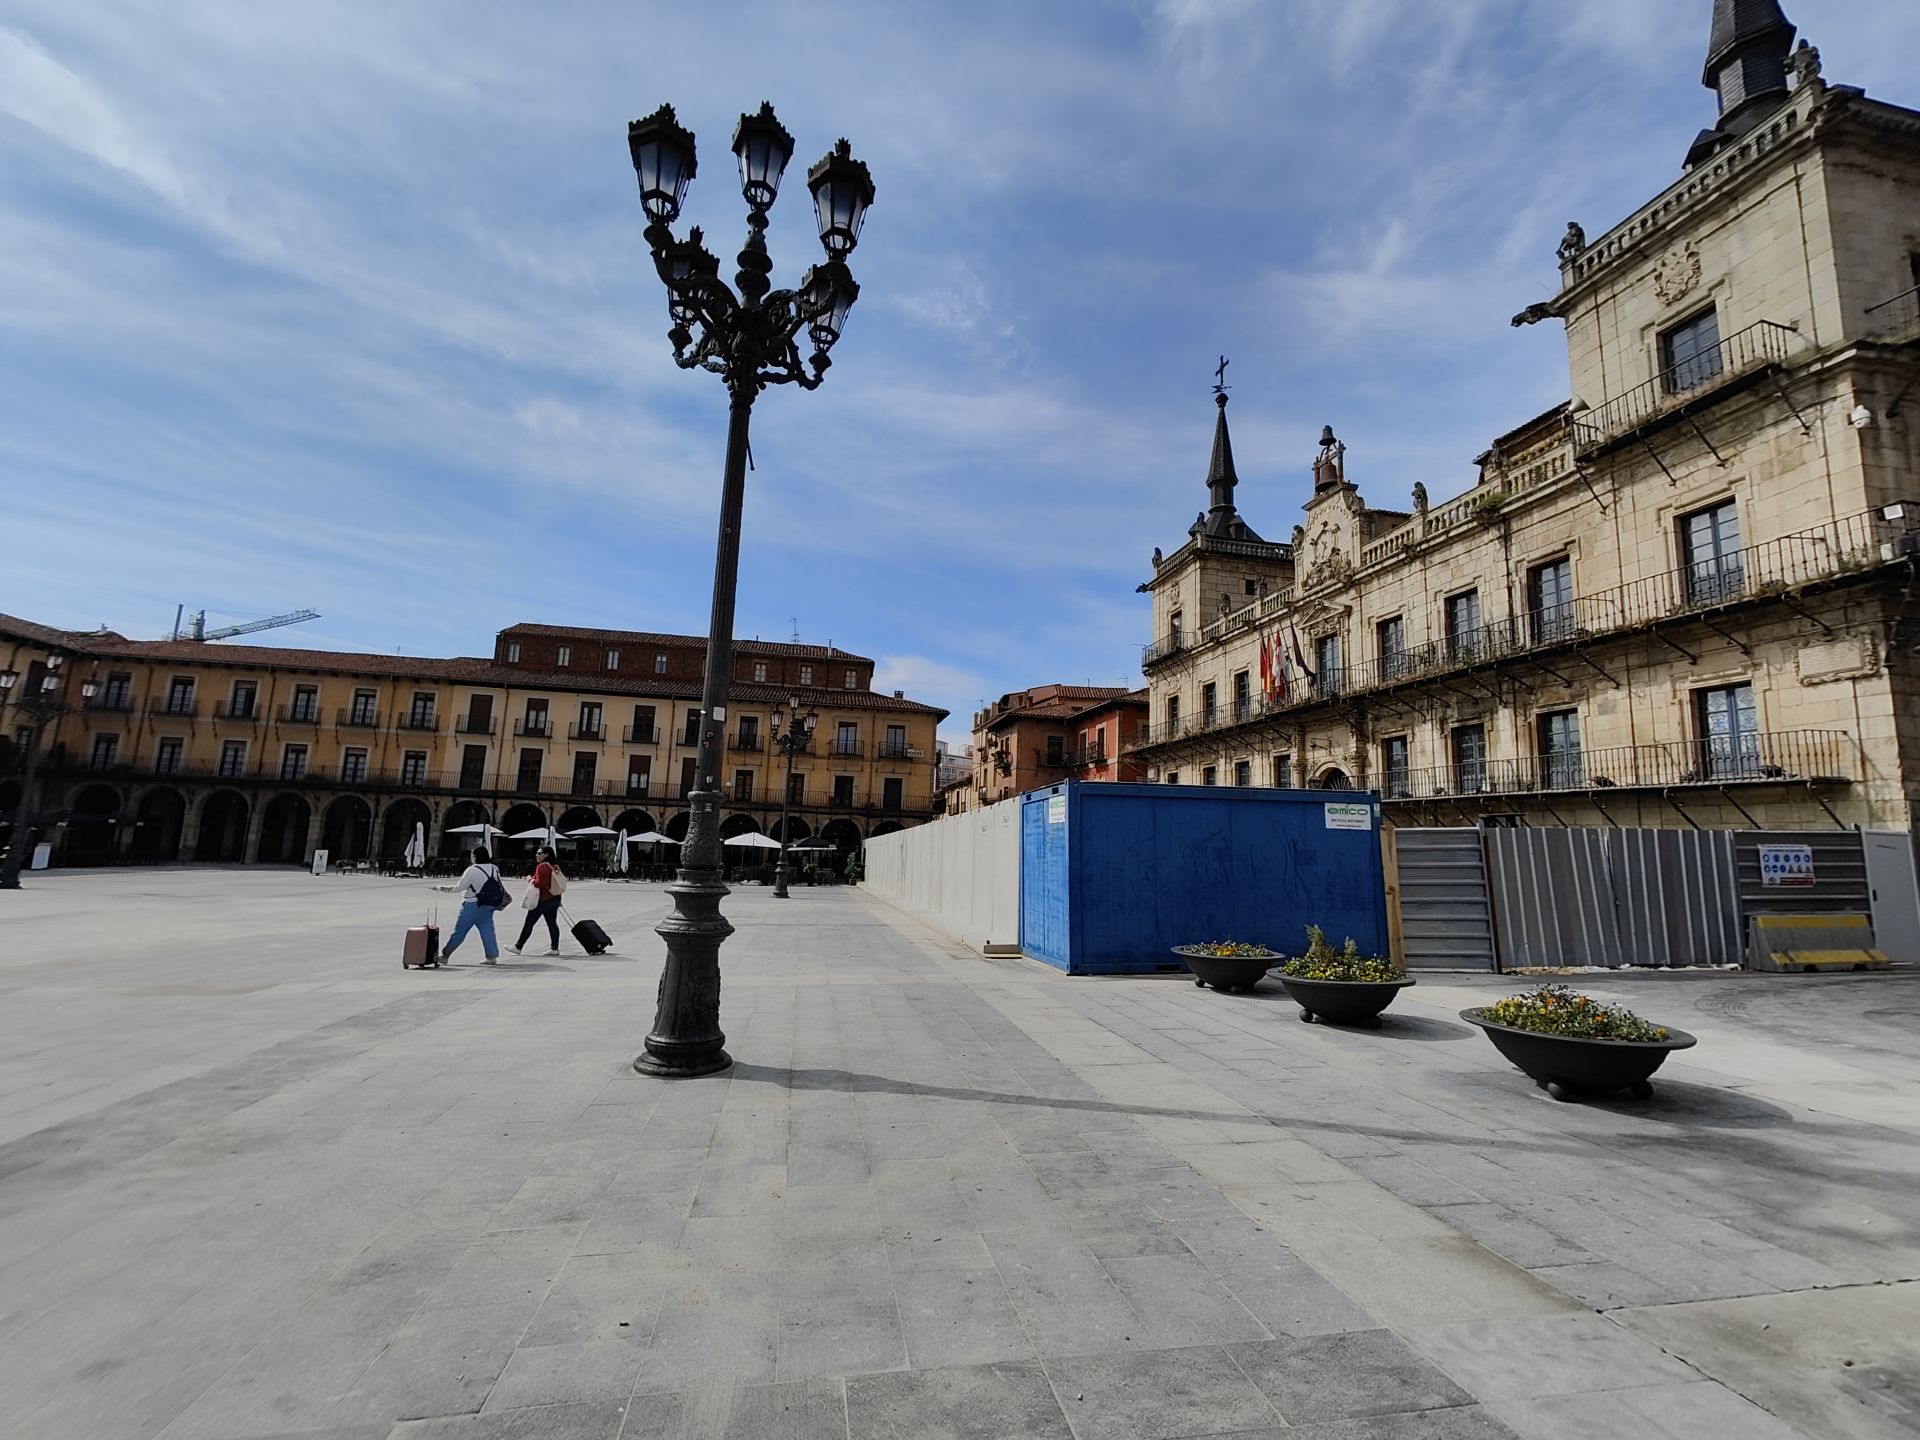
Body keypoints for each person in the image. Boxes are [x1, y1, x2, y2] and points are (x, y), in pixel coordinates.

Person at [441, 845, 505, 965]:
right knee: (488, 930)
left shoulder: (472, 870)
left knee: (460, 931)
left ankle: (445, 955)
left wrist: (442, 888)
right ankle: (491, 956)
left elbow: (459, 888)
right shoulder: (494, 868)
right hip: (488, 904)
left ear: (475, 856)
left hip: (472, 904)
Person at [512, 845, 564, 956]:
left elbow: (540, 883)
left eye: (539, 853)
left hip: (543, 900)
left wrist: (530, 879)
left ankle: (518, 946)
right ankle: (555, 948)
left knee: (529, 922)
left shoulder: (542, 866)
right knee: (552, 923)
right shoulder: (554, 865)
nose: (537, 855)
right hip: (554, 898)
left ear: (546, 855)